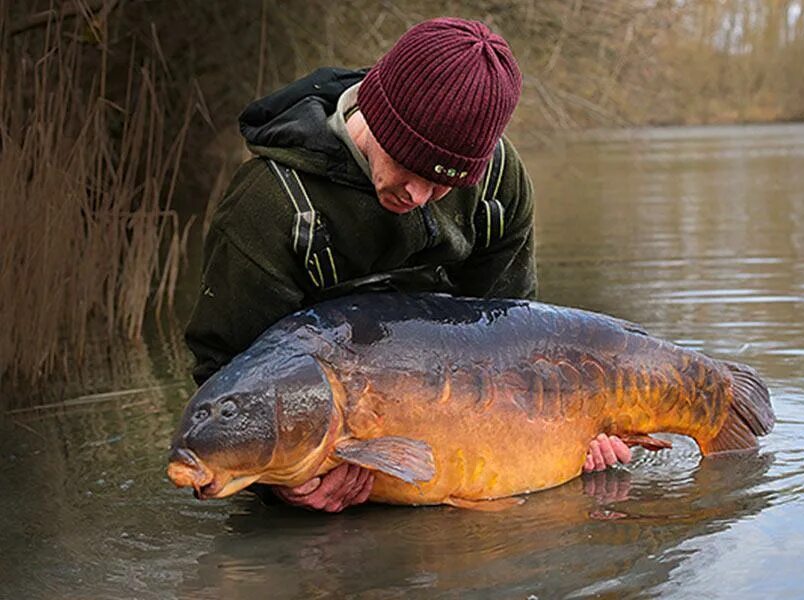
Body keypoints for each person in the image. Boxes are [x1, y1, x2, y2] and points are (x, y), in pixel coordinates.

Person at [185, 17, 632, 513]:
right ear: (377, 114)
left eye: (443, 183)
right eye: (407, 162)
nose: (418, 195)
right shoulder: (270, 206)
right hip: (317, 450)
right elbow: (224, 374)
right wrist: (282, 485)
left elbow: (514, 340)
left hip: (444, 443)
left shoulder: (498, 184)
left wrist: (568, 432)